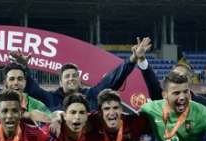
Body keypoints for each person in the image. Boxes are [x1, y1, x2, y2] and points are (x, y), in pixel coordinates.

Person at [15, 38, 150, 111]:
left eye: (74, 76)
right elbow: (32, 89)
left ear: (80, 80)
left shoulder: (92, 95)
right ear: (61, 82)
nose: (71, 79)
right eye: (67, 76)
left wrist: (132, 59)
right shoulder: (51, 99)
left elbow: (112, 79)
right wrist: (23, 67)